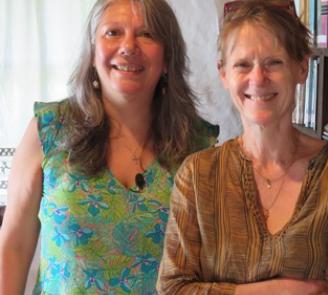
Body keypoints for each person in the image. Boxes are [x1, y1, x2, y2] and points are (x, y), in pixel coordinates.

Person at [157, 1, 328, 294]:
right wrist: (279, 290)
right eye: (243, 65)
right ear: (224, 74)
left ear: (301, 68)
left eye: (274, 62)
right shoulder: (197, 175)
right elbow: (173, 288)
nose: (258, 79)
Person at [0, 0, 217, 294]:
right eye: (113, 32)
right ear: (91, 52)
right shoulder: (49, 129)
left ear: (167, 57)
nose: (129, 46)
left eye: (147, 34)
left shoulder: (199, 147)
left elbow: (212, 265)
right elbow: (14, 245)